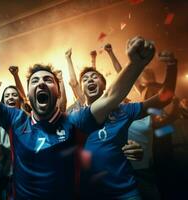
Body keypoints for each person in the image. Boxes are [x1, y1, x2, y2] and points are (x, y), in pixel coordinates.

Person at [0, 33, 154, 199]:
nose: (41, 83)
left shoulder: (75, 121)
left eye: (48, 80)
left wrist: (136, 64)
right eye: (35, 81)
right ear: (28, 96)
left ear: (58, 92)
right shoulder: (16, 119)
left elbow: (111, 97)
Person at [65, 42, 176, 199]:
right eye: (86, 79)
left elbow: (165, 97)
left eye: (95, 77)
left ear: (105, 86)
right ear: (81, 90)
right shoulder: (74, 117)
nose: (90, 80)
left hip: (125, 192)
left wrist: (172, 66)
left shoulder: (124, 110)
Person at [104, 43, 179, 199]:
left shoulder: (153, 92)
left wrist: (172, 117)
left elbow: (167, 96)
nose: (144, 75)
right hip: (156, 130)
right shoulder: (135, 96)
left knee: (168, 168)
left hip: (161, 129)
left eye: (146, 72)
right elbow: (121, 76)